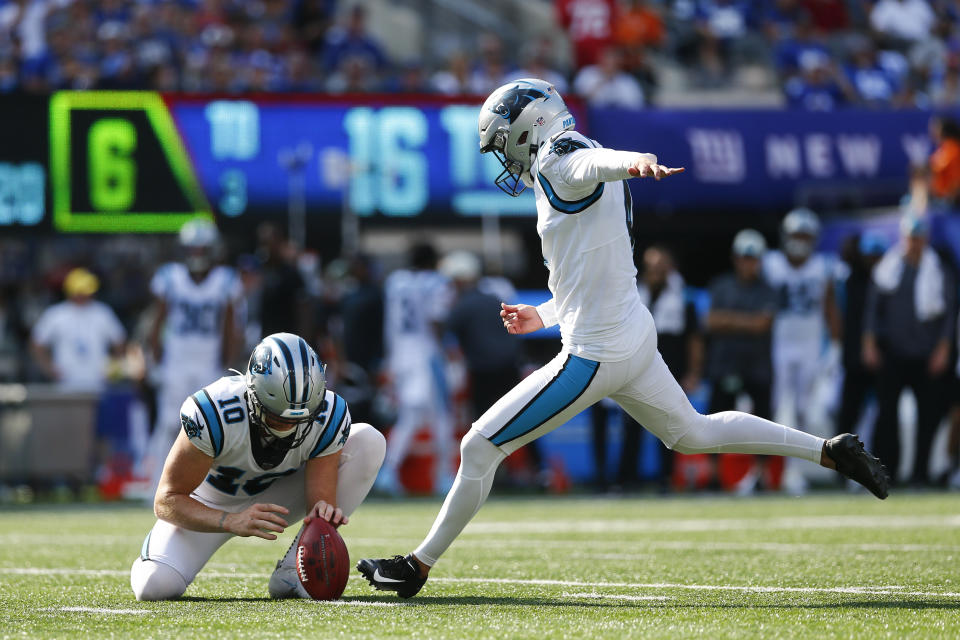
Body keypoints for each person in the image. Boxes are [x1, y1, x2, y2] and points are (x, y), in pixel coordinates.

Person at [357, 79, 889, 599]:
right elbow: (590, 267)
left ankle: (415, 567)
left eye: (503, 144)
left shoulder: (559, 159)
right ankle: (829, 450)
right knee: (693, 434)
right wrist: (542, 316)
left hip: (595, 353)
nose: (504, 159)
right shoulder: (570, 154)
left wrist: (633, 159)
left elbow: (590, 164)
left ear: (527, 127)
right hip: (629, 331)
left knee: (478, 447)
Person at [129, 332, 385, 601]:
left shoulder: (328, 413)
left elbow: (319, 501)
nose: (289, 428)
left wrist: (323, 510)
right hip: (209, 503)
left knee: (368, 441)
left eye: (300, 419)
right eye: (277, 418)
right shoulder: (214, 411)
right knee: (154, 586)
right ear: (253, 396)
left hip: (276, 496)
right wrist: (230, 520)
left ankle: (294, 571)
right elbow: (166, 500)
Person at [142, 219, 242, 495]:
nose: (196, 254)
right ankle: (157, 485)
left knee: (213, 426)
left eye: (201, 249)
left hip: (209, 362)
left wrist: (228, 361)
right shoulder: (169, 276)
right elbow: (158, 319)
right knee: (167, 423)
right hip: (176, 361)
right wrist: (155, 357)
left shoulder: (226, 280)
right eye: (192, 249)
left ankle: (209, 489)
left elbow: (231, 326)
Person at [863, 213, 955, 486]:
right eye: (910, 237)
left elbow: (948, 314)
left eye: (918, 237)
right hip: (893, 353)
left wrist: (943, 349)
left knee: (927, 418)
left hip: (926, 355)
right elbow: (873, 309)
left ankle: (920, 473)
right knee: (887, 416)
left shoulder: (937, 270)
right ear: (903, 238)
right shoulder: (889, 268)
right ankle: (885, 473)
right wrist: (869, 343)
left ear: (925, 239)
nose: (914, 243)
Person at [762, 207, 841, 494]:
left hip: (810, 346)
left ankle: (795, 469)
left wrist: (836, 344)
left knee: (805, 411)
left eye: (805, 235)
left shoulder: (822, 266)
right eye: (796, 234)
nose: (800, 240)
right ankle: (784, 472)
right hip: (779, 345)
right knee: (779, 408)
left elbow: (830, 307)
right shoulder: (770, 264)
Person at [376, 243, 455, 495]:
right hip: (426, 355)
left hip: (400, 356)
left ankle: (389, 472)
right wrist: (443, 349)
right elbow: (436, 319)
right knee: (441, 416)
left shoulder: (395, 281)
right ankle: (444, 476)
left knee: (411, 416)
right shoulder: (436, 282)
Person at [706, 230, 778, 493]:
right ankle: (713, 476)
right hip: (726, 364)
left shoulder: (768, 289)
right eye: (744, 257)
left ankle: (761, 475)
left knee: (762, 424)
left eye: (753, 258)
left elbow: (762, 324)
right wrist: (746, 321)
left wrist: (730, 320)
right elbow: (712, 321)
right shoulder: (721, 286)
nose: (749, 263)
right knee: (716, 423)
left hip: (757, 367)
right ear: (736, 259)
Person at [30, 267, 126, 391]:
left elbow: (119, 341)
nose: (82, 295)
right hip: (65, 384)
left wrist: (113, 368)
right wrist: (49, 368)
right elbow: (37, 343)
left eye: (85, 291)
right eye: (79, 291)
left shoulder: (102, 312)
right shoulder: (56, 314)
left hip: (97, 383)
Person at [835, 231, 886, 442]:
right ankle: (842, 463)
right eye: (869, 255)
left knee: (877, 414)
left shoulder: (887, 281)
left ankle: (871, 461)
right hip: (853, 357)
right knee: (849, 411)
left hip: (881, 360)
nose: (872, 261)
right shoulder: (850, 280)